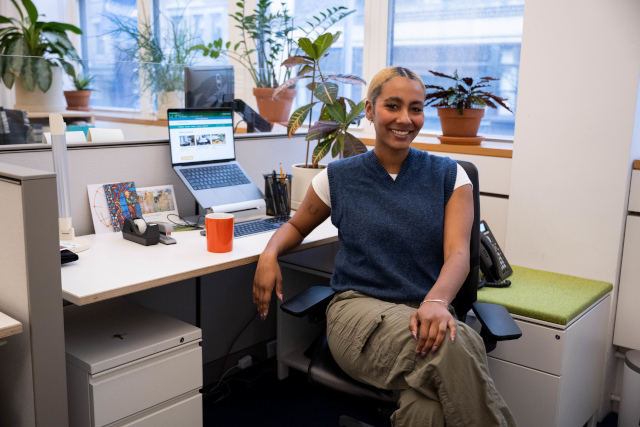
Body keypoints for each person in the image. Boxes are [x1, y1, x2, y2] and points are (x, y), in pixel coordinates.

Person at [253, 66, 516, 427]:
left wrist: (437, 301)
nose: (405, 119)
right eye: (393, 106)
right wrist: (269, 254)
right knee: (453, 345)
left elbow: (459, 254)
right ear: (370, 110)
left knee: (427, 409)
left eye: (416, 108)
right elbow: (297, 225)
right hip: (358, 313)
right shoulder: (338, 177)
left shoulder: (449, 175)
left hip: (428, 308)